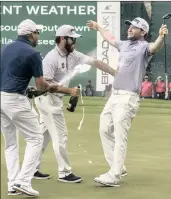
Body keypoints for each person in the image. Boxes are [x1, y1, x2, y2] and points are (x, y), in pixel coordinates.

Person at [0, 19, 79, 197]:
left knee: (11, 144)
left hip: (1, 98)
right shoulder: (33, 53)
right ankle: (24, 181)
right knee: (35, 138)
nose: (38, 36)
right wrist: (53, 88)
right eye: (37, 33)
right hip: (15, 100)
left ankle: (13, 184)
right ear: (30, 34)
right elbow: (42, 86)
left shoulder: (4, 48)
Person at [87, 17, 168, 186]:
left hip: (128, 97)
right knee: (104, 129)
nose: (130, 29)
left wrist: (161, 37)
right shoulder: (124, 44)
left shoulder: (144, 48)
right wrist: (98, 27)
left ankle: (114, 175)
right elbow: (110, 38)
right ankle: (118, 167)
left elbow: (155, 47)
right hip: (114, 95)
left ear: (143, 32)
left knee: (120, 136)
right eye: (129, 26)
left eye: (134, 27)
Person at [34, 24, 117, 182]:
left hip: (51, 100)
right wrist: (69, 91)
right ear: (63, 39)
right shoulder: (51, 58)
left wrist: (113, 72)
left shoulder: (73, 54)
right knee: (60, 135)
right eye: (72, 39)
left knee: (42, 137)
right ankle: (64, 172)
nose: (75, 42)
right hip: (48, 100)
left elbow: (95, 62)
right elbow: (45, 86)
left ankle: (31, 169)